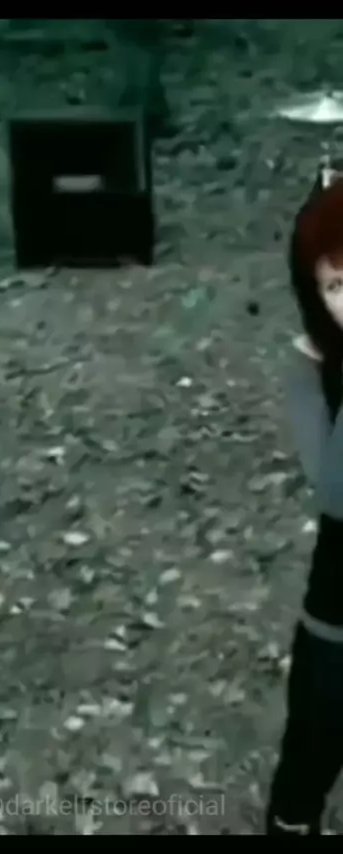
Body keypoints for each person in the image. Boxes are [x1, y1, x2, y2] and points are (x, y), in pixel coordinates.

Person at [266, 172, 343, 834]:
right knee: (309, 757)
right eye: (337, 285)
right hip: (339, 605)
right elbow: (336, 491)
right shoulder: (311, 364)